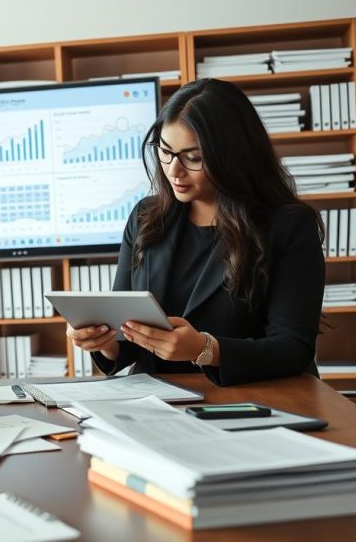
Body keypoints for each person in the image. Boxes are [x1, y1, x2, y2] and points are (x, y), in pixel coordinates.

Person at [68, 78, 325, 386]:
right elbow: (128, 339)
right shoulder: (145, 218)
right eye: (165, 151)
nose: (174, 170)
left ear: (232, 154)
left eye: (193, 157)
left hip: (254, 400)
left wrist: (206, 350)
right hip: (158, 402)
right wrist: (102, 341)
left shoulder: (288, 225)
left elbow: (294, 348)